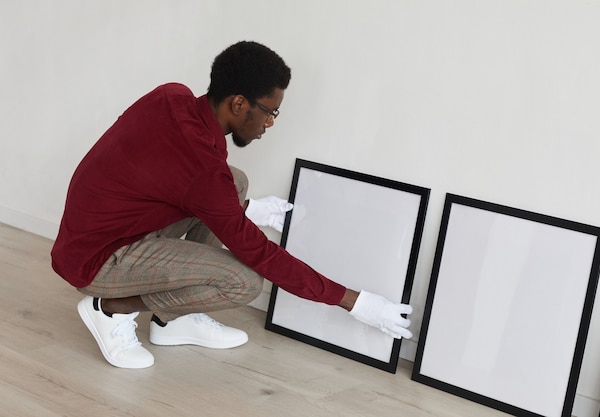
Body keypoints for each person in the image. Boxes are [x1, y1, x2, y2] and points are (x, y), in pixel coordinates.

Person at [51, 41, 413, 369]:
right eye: (269, 111)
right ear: (239, 103)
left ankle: (172, 321)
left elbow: (165, 176)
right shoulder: (203, 172)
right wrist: (356, 302)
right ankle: (112, 309)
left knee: (234, 181)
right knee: (243, 281)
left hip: (97, 229)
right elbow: (262, 255)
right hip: (95, 260)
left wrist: (244, 206)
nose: (270, 123)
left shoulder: (172, 96)